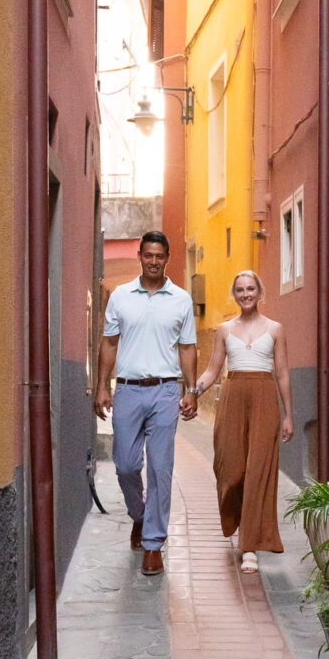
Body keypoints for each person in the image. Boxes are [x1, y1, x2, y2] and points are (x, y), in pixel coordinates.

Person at [93, 231, 198, 576]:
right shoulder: (121, 297)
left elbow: (186, 349)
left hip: (166, 391)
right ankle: (139, 514)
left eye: (160, 256)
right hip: (127, 390)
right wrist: (101, 387)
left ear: (167, 258)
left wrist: (191, 390)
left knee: (160, 468)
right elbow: (108, 344)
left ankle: (154, 543)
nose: (154, 261)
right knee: (124, 464)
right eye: (148, 255)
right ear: (140, 255)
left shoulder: (181, 299)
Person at [192, 270, 293, 573]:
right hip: (233, 399)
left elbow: (283, 374)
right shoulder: (224, 330)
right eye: (240, 290)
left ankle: (248, 545)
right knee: (232, 470)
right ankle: (236, 518)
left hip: (265, 400)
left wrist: (289, 414)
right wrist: (193, 392)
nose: (246, 294)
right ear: (234, 294)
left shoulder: (275, 329)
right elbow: (212, 370)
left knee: (258, 472)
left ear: (259, 292)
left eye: (250, 289)